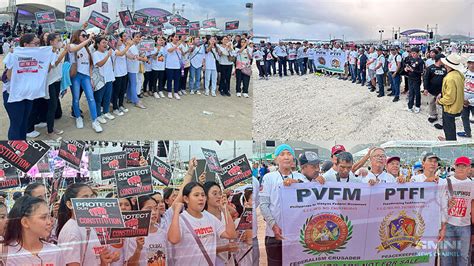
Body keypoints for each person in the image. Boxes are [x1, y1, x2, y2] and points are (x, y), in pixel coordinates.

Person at [259, 144, 308, 266]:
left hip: (295, 236)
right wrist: (274, 226)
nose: (286, 157)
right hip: (274, 235)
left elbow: (311, 194)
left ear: (293, 159)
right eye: (282, 154)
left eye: (289, 154)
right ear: (276, 159)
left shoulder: (300, 177)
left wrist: (296, 183)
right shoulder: (269, 178)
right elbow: (264, 205)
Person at [168, 181, 237, 265]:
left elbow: (230, 235)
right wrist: (176, 212)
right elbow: (174, 239)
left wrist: (224, 209)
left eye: (203, 195)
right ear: (186, 199)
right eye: (196, 195)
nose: (201, 198)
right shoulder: (180, 219)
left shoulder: (210, 217)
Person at [57, 183, 120, 265]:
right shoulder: (72, 230)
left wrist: (106, 259)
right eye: (85, 197)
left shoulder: (89, 226)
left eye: (92, 196)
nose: (90, 201)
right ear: (70, 204)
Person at [3, 196, 64, 265]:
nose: (49, 222)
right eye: (43, 217)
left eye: (49, 216)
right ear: (25, 222)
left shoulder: (55, 252)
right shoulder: (6, 253)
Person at [438, 156, 473, 266]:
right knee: (446, 257)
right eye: (459, 166)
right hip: (447, 225)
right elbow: (437, 202)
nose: (461, 168)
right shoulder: (445, 182)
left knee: (463, 258)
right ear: (454, 167)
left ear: (469, 168)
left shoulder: (472, 185)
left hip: (465, 225)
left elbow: (472, 206)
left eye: (464, 166)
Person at [126, 195, 169, 265]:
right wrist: (138, 249)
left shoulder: (163, 233)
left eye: (156, 208)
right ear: (138, 212)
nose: (154, 212)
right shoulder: (132, 236)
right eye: (149, 209)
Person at [45, 33, 68, 138]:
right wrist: (65, 52)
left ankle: (52, 127)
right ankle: (49, 131)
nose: (60, 42)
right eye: (58, 40)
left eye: (60, 40)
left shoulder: (57, 51)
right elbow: (53, 65)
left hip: (57, 80)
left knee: (54, 106)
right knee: (52, 106)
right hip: (50, 82)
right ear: (51, 42)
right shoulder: (48, 52)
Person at [438, 53, 465, 141]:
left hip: (450, 108)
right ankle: (449, 139)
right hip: (457, 105)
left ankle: (450, 143)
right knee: (450, 126)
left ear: (447, 65)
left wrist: (439, 101)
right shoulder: (459, 74)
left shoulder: (450, 78)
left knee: (448, 127)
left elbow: (450, 98)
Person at [92, 36, 116, 125]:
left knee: (107, 97)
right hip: (100, 80)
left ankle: (106, 112)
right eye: (103, 43)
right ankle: (98, 115)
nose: (105, 44)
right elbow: (100, 64)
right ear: (98, 44)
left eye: (106, 43)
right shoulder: (95, 54)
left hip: (109, 78)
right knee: (98, 98)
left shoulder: (107, 52)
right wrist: (107, 56)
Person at [111, 32, 133, 116]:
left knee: (122, 90)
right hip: (117, 73)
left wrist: (134, 56)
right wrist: (128, 46)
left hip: (124, 72)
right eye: (120, 39)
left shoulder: (123, 46)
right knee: (116, 91)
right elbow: (121, 54)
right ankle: (115, 108)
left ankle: (121, 105)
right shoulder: (113, 49)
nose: (121, 40)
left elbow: (128, 55)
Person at [423, 54, 447, 127]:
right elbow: (426, 79)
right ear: (440, 60)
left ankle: (443, 118)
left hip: (442, 91)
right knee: (431, 103)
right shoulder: (430, 68)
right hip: (431, 90)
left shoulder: (445, 68)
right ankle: (433, 115)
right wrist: (425, 88)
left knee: (442, 105)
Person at [126, 32, 147, 108]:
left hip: (133, 68)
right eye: (136, 37)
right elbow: (134, 57)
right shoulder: (131, 47)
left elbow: (137, 56)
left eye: (139, 37)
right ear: (133, 38)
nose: (138, 38)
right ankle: (136, 101)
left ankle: (129, 98)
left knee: (130, 84)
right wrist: (143, 58)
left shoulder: (135, 46)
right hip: (131, 69)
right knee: (134, 84)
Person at [457, 55, 474, 138]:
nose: (472, 65)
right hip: (463, 101)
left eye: (473, 63)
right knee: (464, 117)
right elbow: (459, 86)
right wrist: (462, 99)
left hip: (472, 102)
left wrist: (470, 101)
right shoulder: (463, 73)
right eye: (470, 63)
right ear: (467, 64)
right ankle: (467, 133)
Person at [405, 47, 425, 113]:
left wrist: (413, 70)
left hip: (416, 79)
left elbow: (421, 71)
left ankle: (417, 106)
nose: (413, 55)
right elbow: (408, 66)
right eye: (412, 53)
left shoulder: (421, 61)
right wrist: (406, 69)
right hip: (410, 78)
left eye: (414, 53)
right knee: (411, 92)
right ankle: (410, 106)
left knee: (417, 93)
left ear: (418, 53)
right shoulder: (410, 59)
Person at [165, 33, 184, 100]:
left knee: (177, 79)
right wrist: (177, 45)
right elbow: (170, 51)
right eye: (175, 37)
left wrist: (180, 49)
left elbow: (181, 54)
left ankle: (176, 92)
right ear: (172, 37)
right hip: (170, 65)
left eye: (178, 37)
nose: (177, 38)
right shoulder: (168, 44)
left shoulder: (180, 45)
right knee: (169, 79)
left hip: (177, 65)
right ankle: (169, 92)